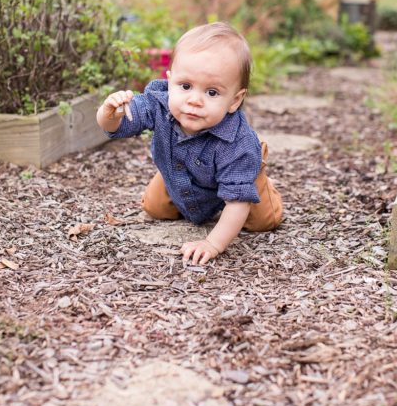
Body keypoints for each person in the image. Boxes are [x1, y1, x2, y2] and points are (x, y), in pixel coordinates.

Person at [97, 22, 282, 264]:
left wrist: (212, 243)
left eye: (212, 92)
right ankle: (176, 173)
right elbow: (117, 127)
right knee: (155, 209)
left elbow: (236, 203)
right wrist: (109, 113)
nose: (194, 100)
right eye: (185, 86)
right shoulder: (159, 104)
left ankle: (256, 174)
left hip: (233, 176)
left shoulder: (237, 143)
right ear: (170, 81)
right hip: (178, 171)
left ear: (235, 101)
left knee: (263, 222)